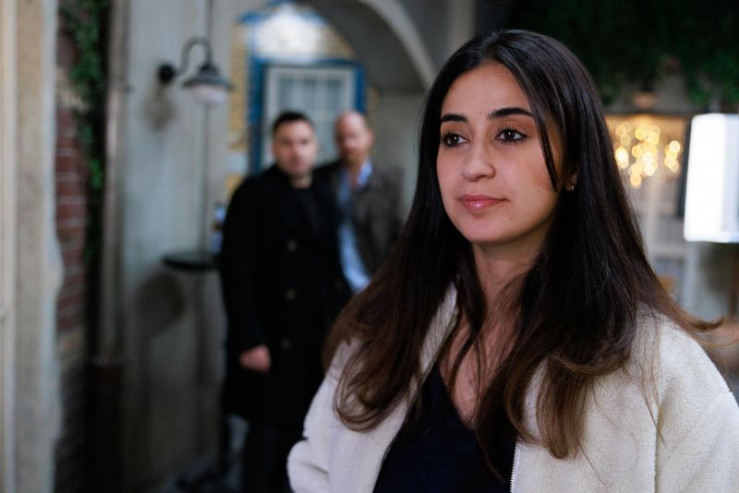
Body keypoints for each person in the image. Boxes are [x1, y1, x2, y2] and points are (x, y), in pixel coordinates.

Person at [288, 30, 739, 492]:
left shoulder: (659, 368)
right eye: (453, 138)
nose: (473, 165)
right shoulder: (387, 325)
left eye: (509, 134)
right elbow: (315, 470)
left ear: (574, 164)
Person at [219, 111, 349, 492]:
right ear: (274, 148)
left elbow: (333, 271)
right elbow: (234, 271)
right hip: (270, 338)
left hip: (313, 339)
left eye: (303, 142)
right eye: (287, 143)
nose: (296, 151)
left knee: (301, 441)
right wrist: (249, 339)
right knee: (263, 443)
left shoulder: (323, 195)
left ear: (315, 147)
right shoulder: (253, 194)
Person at [315, 111, 404, 293]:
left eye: (353, 137)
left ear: (368, 137)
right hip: (333, 286)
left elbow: (400, 233)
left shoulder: (388, 180)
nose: (348, 144)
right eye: (341, 138)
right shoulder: (322, 178)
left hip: (375, 283)